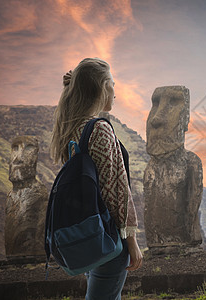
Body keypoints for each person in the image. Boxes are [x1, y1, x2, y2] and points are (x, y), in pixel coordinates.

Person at [50, 58, 143, 300]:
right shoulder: (100, 129)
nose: (116, 92)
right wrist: (131, 241)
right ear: (103, 87)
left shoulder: (72, 128)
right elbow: (115, 189)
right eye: (113, 84)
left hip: (89, 234)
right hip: (110, 239)